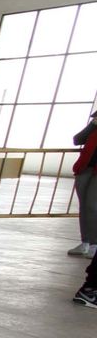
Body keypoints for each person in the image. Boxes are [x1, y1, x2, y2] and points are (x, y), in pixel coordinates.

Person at [69, 110, 97, 258]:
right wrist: (92, 125)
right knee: (84, 207)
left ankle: (94, 243)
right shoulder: (93, 127)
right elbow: (77, 139)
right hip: (85, 169)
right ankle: (85, 242)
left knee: (92, 206)